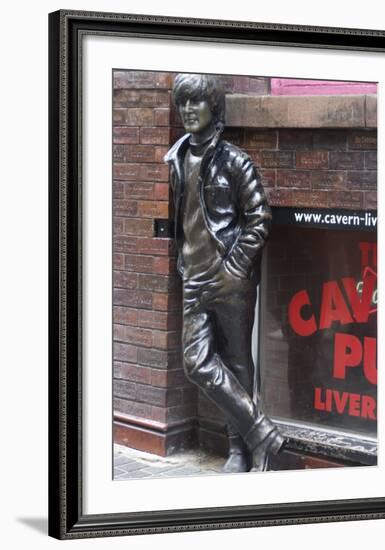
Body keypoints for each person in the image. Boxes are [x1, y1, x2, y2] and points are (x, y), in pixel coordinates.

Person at [164, 73, 286, 472]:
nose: (187, 109)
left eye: (196, 102)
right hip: (194, 277)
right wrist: (183, 263)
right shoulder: (178, 159)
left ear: (214, 108)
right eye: (183, 102)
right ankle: (261, 433)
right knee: (197, 362)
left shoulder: (235, 161)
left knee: (236, 361)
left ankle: (240, 449)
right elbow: (180, 218)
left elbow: (259, 218)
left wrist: (234, 265)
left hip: (228, 276)